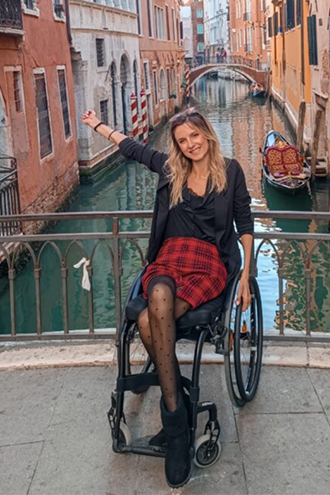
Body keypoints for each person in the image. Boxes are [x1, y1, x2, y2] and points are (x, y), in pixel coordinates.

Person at [81, 107, 254, 488]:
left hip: (209, 263)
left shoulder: (232, 170)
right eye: (182, 140)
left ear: (206, 133)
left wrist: (246, 275)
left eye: (194, 136)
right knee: (155, 296)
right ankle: (179, 421)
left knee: (146, 320)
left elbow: (244, 221)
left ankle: (175, 422)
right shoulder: (170, 169)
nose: (190, 145)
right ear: (176, 145)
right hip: (169, 257)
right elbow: (132, 148)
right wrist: (97, 126)